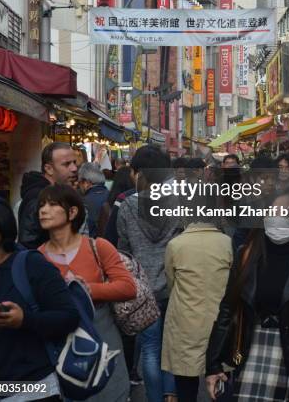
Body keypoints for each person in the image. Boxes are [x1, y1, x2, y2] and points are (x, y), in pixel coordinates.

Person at [206, 183, 289, 401]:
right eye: (272, 211)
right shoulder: (246, 254)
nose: (276, 217)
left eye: (286, 212)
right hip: (249, 350)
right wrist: (213, 364)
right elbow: (227, 310)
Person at [38, 183, 136, 402]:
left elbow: (127, 286)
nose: (44, 210)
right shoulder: (37, 257)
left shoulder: (98, 246)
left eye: (53, 205)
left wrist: (86, 290)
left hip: (102, 334)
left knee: (110, 393)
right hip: (61, 342)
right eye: (42, 205)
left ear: (72, 212)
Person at [0, 194, 79, 402]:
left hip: (33, 387)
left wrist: (24, 320)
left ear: (1, 227)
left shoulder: (31, 264)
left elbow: (69, 317)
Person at [117, 145, 181, 402]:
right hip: (174, 284)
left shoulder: (126, 206)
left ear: (138, 173)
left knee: (151, 350)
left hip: (142, 289)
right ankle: (172, 393)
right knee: (173, 346)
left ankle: (155, 398)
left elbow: (123, 249)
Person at [162, 211, 233, 402]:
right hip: (221, 320)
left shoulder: (176, 245)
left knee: (185, 382)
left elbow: (171, 282)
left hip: (186, 320)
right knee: (222, 379)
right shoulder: (227, 242)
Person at [18, 142, 78, 249]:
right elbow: (29, 242)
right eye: (66, 164)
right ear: (49, 169)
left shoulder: (56, 193)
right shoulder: (38, 197)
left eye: (74, 162)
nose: (74, 168)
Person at [78, 162, 109, 237]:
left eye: (79, 183)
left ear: (86, 183)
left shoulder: (83, 201)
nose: (79, 186)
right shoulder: (113, 195)